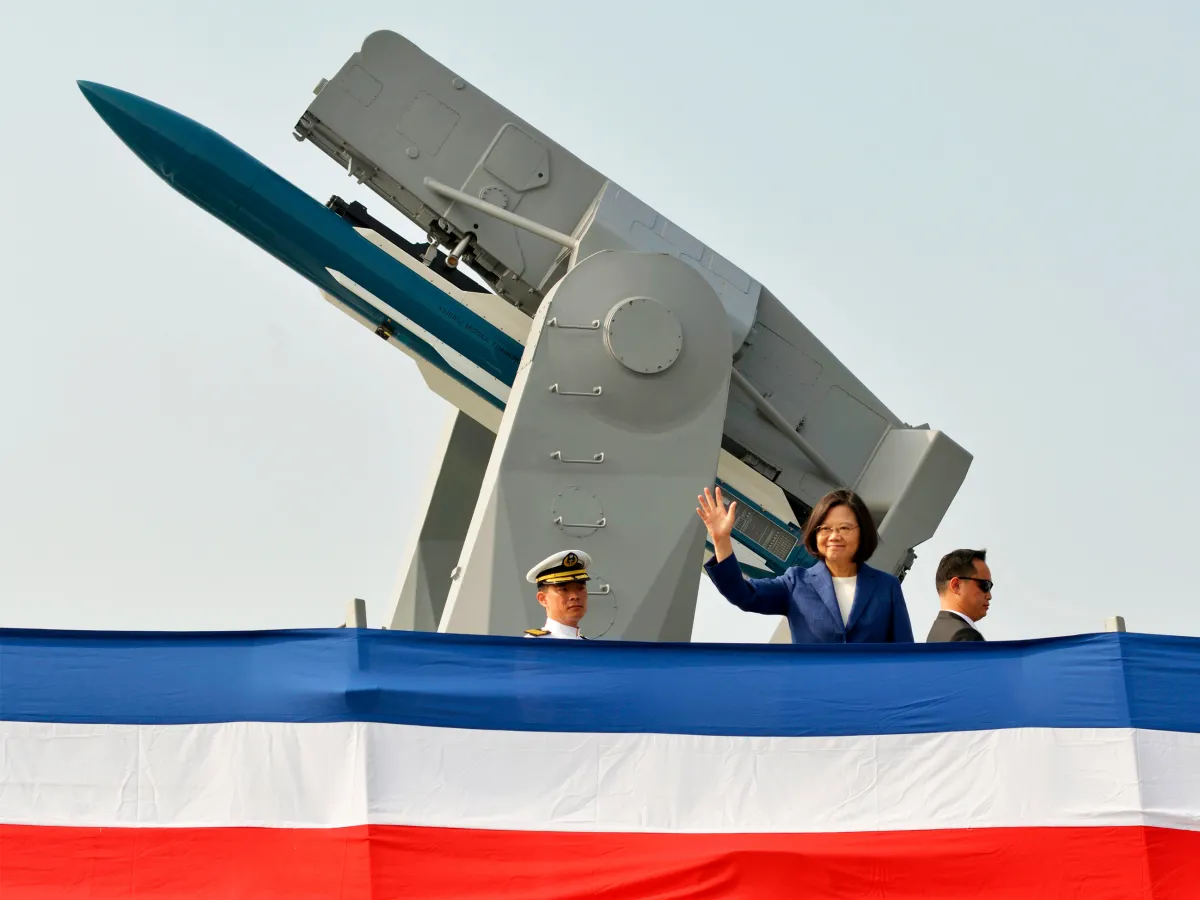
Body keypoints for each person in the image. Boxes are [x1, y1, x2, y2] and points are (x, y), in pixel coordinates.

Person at [697, 486, 914, 644]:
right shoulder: (795, 583)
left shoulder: (887, 587)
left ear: (862, 533)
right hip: (812, 700)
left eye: (845, 528)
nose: (834, 536)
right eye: (825, 528)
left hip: (869, 701)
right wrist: (721, 540)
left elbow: (905, 655)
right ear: (815, 534)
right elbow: (743, 595)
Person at [522, 549, 591, 639]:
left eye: (581, 588)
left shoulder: (588, 645)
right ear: (543, 599)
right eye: (563, 589)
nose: (575, 596)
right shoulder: (534, 645)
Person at [926, 548, 991, 642]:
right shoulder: (966, 636)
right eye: (985, 585)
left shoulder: (936, 634)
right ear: (956, 585)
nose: (989, 596)